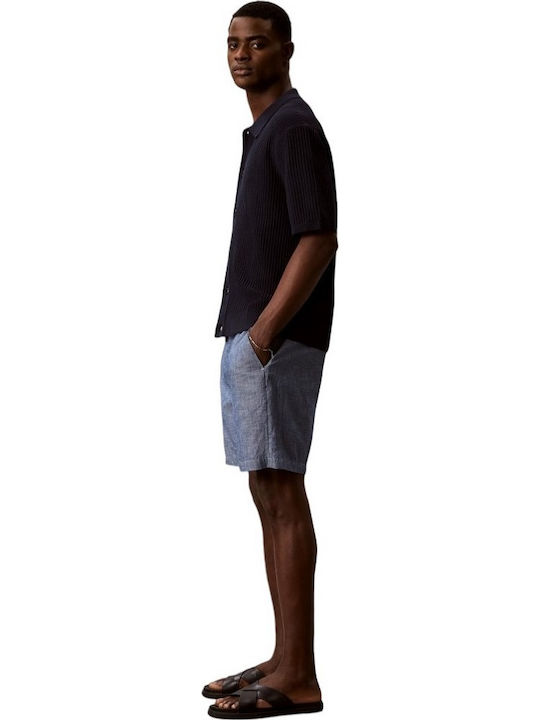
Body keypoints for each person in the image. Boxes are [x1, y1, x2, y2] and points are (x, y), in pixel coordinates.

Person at [203, 3, 338, 717]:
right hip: (257, 340)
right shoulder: (267, 129)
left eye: (256, 43)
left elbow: (319, 239)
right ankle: (285, 658)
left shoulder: (293, 127)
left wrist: (263, 334)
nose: (241, 54)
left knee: (282, 495)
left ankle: (298, 676)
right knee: (267, 493)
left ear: (286, 48)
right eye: (232, 42)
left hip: (274, 345)